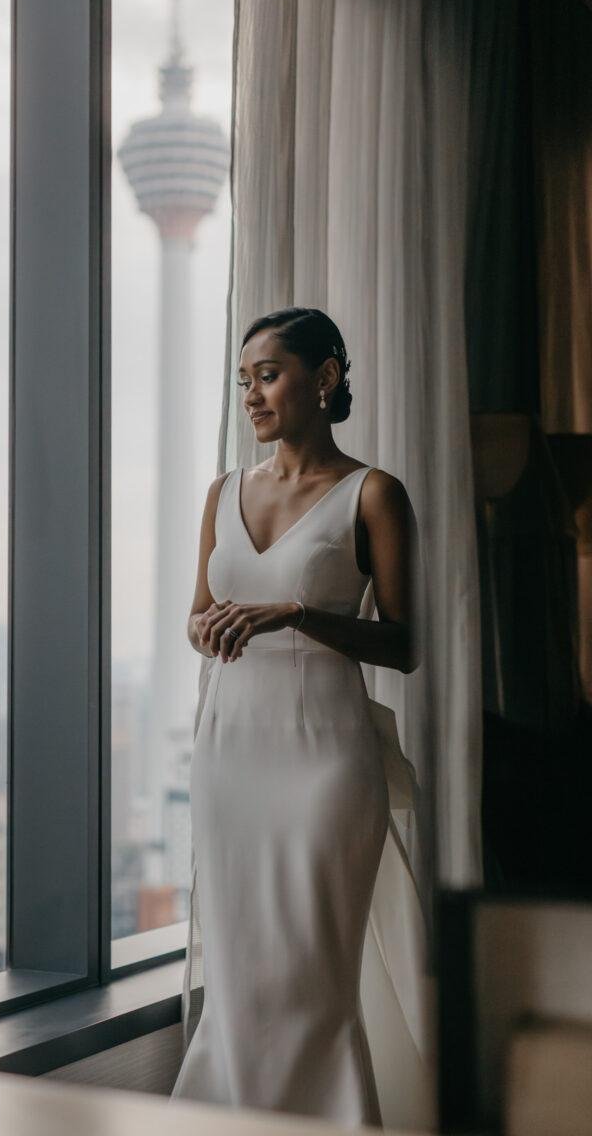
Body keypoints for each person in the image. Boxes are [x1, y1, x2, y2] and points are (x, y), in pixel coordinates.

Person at [170, 307, 430, 1128]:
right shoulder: (222, 492)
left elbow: (405, 644)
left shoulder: (374, 494)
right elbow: (199, 614)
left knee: (312, 975)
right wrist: (210, 627)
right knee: (241, 974)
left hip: (323, 762)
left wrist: (296, 614)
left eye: (268, 374)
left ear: (325, 378)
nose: (251, 394)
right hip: (231, 758)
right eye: (243, 379)